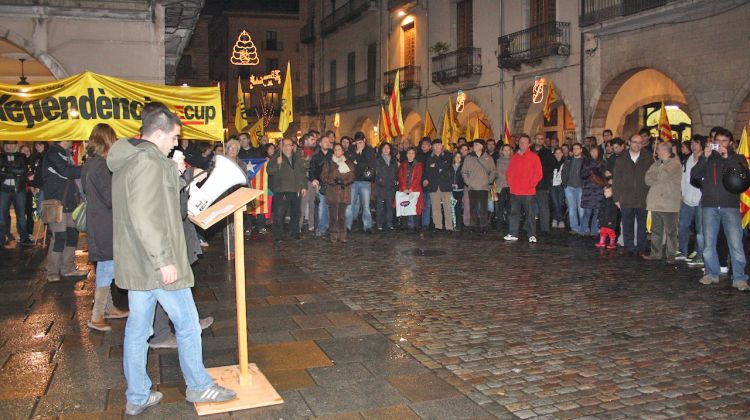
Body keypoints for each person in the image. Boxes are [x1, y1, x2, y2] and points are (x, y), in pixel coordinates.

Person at [107, 105, 235, 415]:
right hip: (156, 263)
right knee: (189, 324)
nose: (176, 144)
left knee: (138, 329)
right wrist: (164, 260)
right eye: (174, 137)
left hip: (137, 262)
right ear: (160, 133)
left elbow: (160, 204)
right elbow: (147, 217)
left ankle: (137, 396)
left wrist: (173, 173)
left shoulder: (130, 160)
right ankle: (198, 385)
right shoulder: (149, 164)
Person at [81, 124, 129, 331]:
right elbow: (110, 198)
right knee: (107, 267)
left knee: (105, 266)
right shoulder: (100, 166)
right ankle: (97, 315)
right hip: (105, 225)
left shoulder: (89, 163)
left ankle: (109, 308)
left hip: (98, 222)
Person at [691, 127, 749, 291]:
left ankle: (739, 278)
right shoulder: (709, 159)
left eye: (724, 141)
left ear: (730, 143)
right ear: (713, 142)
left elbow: (742, 175)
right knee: (709, 244)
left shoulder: (737, 158)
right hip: (709, 206)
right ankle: (711, 273)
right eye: (718, 141)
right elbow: (694, 175)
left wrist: (727, 156)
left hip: (729, 206)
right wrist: (704, 158)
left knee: (735, 244)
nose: (720, 144)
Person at [42, 140, 88, 282]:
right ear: (64, 138)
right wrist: (89, 167)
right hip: (56, 204)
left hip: (70, 203)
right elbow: (66, 171)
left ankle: (67, 268)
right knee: (59, 238)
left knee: (72, 236)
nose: (73, 140)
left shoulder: (66, 154)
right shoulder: (53, 154)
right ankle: (52, 272)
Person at [612, 133, 654, 256]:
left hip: (642, 197)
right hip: (626, 197)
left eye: (640, 142)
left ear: (643, 144)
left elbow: (652, 177)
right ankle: (629, 246)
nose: (637, 145)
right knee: (627, 223)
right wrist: (616, 198)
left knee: (642, 224)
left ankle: (641, 246)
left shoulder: (648, 158)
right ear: (629, 143)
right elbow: (617, 179)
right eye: (634, 142)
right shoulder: (621, 158)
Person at [641, 142, 682, 263]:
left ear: (664, 151)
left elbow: (660, 177)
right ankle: (656, 253)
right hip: (656, 202)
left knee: (671, 232)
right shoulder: (657, 163)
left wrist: (655, 174)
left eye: (657, 150)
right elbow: (647, 179)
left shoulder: (675, 163)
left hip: (669, 204)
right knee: (656, 231)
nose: (656, 152)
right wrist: (656, 174)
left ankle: (671, 255)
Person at [267, 138, 308, 243]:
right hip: (281, 190)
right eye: (284, 145)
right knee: (279, 214)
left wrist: (304, 186)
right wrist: (277, 164)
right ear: (281, 146)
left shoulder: (297, 158)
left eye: (289, 145)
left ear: (293, 146)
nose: (286, 147)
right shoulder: (277, 157)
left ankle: (294, 233)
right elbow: (269, 171)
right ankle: (277, 235)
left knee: (296, 213)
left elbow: (302, 173)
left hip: (295, 189)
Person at [504, 134, 542, 242]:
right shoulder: (515, 157)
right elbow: (509, 173)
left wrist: (531, 185)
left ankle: (531, 234)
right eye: (520, 142)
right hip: (515, 191)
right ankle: (513, 233)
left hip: (528, 192)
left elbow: (538, 174)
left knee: (530, 214)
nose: (522, 144)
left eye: (524, 142)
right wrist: (511, 184)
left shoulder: (534, 157)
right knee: (514, 213)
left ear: (529, 144)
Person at [678, 135, 705, 267]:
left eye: (696, 143)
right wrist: (682, 192)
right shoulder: (688, 159)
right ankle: (682, 250)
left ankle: (700, 254)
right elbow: (684, 177)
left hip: (700, 199)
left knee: (700, 230)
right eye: (692, 143)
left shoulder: (706, 160)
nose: (694, 146)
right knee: (683, 225)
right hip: (687, 198)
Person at [0, 141, 33, 247]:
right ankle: (1, 238)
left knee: (21, 215)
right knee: (1, 215)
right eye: (8, 144)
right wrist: (15, 171)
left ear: (16, 146)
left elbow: (23, 170)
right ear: (5, 146)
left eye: (12, 144)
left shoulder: (21, 156)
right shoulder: (1, 157)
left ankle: (24, 238)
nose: (10, 146)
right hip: (4, 189)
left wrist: (8, 169)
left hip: (19, 189)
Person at [321, 143, 355, 242]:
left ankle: (342, 234)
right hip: (333, 192)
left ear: (342, 151)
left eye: (339, 149)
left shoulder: (348, 163)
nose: (337, 151)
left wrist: (343, 181)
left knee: (342, 215)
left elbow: (352, 176)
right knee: (333, 215)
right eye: (335, 150)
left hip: (344, 192)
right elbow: (324, 176)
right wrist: (333, 181)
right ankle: (333, 234)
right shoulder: (329, 163)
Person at [461, 140, 496, 233]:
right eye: (474, 144)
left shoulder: (488, 158)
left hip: (484, 187)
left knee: (483, 208)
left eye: (476, 144)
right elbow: (464, 171)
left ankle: (483, 226)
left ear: (482, 146)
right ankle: (473, 226)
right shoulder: (469, 158)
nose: (474, 146)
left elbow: (493, 171)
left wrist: (489, 181)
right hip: (472, 187)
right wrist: (468, 182)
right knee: (473, 208)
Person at [345, 132, 375, 233]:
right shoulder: (352, 150)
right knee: (350, 204)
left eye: (361, 142)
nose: (359, 144)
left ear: (364, 140)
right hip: (353, 180)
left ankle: (367, 226)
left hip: (365, 181)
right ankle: (347, 226)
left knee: (366, 205)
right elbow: (348, 161)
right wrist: (356, 153)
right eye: (357, 142)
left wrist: (358, 162)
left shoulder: (369, 150)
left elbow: (370, 164)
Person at [423, 139, 453, 232]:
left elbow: (447, 166)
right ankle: (438, 226)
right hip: (433, 185)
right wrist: (439, 167)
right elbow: (427, 170)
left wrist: (435, 166)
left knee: (447, 207)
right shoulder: (428, 157)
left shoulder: (447, 155)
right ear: (432, 147)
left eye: (438, 145)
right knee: (436, 208)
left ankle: (449, 227)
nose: (437, 147)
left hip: (445, 185)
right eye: (435, 145)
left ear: (442, 146)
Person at [309, 132, 333, 237]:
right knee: (322, 207)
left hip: (332, 185)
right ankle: (320, 228)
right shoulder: (316, 156)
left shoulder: (333, 155)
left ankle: (327, 225)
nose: (328, 143)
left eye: (329, 142)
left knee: (329, 207)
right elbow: (312, 170)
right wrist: (313, 179)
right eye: (325, 142)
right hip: (321, 185)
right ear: (320, 144)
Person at [532, 133, 556, 234]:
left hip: (542, 184)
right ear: (534, 139)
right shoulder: (529, 151)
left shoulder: (547, 152)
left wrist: (539, 169)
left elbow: (552, 166)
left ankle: (545, 228)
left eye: (542, 139)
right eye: (538, 139)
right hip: (529, 184)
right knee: (529, 207)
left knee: (543, 207)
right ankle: (528, 226)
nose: (540, 140)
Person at [579, 146, 606, 236]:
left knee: (596, 212)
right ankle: (582, 230)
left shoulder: (602, 163)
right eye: (592, 151)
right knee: (587, 212)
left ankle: (594, 231)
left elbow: (604, 176)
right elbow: (582, 175)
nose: (593, 153)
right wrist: (590, 171)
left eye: (595, 151)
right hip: (588, 190)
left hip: (598, 190)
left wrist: (594, 170)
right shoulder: (586, 162)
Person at [398, 148, 424, 232]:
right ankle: (405, 225)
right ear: (406, 154)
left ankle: (415, 226)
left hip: (415, 189)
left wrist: (412, 188)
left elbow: (418, 177)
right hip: (404, 189)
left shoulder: (419, 164)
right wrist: (404, 188)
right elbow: (401, 176)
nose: (411, 154)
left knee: (415, 207)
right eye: (409, 153)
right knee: (405, 206)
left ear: (415, 155)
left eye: (412, 153)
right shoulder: (402, 164)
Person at [373, 142, 398, 231]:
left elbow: (396, 172)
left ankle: (389, 223)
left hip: (390, 186)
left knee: (389, 206)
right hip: (380, 186)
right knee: (379, 206)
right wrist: (379, 181)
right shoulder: (377, 160)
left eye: (388, 148)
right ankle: (379, 224)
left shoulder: (393, 160)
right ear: (381, 150)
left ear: (390, 150)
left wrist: (395, 182)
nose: (386, 150)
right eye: (384, 148)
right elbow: (375, 173)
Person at [562, 143, 585, 235]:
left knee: (581, 208)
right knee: (572, 208)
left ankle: (583, 228)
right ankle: (574, 227)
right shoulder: (568, 160)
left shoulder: (585, 161)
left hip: (581, 187)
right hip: (569, 187)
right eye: (574, 148)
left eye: (577, 148)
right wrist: (565, 183)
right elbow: (563, 172)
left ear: (581, 150)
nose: (575, 150)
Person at [416, 138, 433, 229]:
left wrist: (427, 179)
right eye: (422, 143)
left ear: (430, 146)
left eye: (426, 144)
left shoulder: (432, 155)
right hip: (418, 183)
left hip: (428, 184)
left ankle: (425, 224)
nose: (424, 145)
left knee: (426, 204)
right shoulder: (417, 155)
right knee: (418, 204)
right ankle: (417, 223)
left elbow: (432, 170)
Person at [495, 144, 512, 229]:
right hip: (500, 185)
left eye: (508, 150)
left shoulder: (513, 160)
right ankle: (500, 222)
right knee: (500, 205)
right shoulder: (499, 161)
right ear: (502, 151)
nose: (506, 152)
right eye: (505, 150)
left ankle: (509, 222)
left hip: (511, 186)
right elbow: (499, 173)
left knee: (510, 205)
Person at [551, 147, 566, 229]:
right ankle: (560, 220)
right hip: (552, 185)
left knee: (560, 203)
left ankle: (555, 219)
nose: (558, 154)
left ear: (562, 154)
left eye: (559, 153)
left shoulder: (565, 163)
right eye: (556, 153)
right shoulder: (551, 163)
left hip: (561, 185)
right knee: (555, 203)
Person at [449, 152, 465, 232]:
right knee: (451, 208)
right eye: (456, 157)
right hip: (451, 191)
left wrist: (458, 185)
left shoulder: (463, 167)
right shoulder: (450, 167)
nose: (458, 158)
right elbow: (447, 177)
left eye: (459, 157)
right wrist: (450, 185)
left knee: (458, 208)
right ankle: (451, 224)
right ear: (454, 158)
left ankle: (458, 225)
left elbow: (464, 179)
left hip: (459, 190)